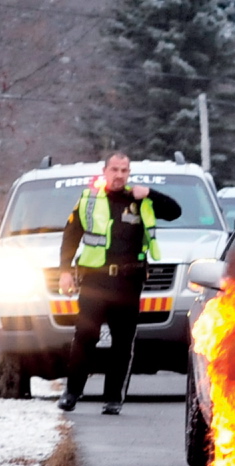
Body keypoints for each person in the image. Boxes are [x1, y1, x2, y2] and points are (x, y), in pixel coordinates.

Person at [56, 152, 181, 414]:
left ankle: (113, 398)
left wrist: (149, 193)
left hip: (128, 281)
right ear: (105, 171)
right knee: (85, 337)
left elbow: (174, 211)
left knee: (122, 343)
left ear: (129, 173)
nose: (119, 175)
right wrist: (65, 271)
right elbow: (71, 235)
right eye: (114, 169)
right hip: (95, 280)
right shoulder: (89, 199)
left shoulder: (139, 200)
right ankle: (72, 393)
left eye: (124, 170)